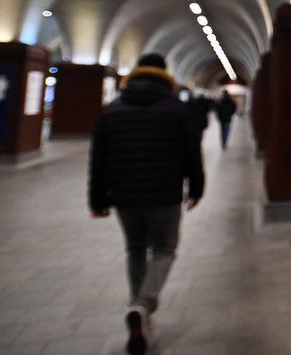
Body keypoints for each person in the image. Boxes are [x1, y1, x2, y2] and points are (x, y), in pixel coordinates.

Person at [88, 54, 204, 355]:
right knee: (164, 249)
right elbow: (192, 153)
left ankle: (137, 307)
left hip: (124, 195)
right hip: (164, 193)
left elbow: (98, 160)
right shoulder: (176, 109)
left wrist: (97, 199)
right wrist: (197, 187)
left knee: (135, 248)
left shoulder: (111, 111)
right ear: (164, 75)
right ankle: (143, 305)